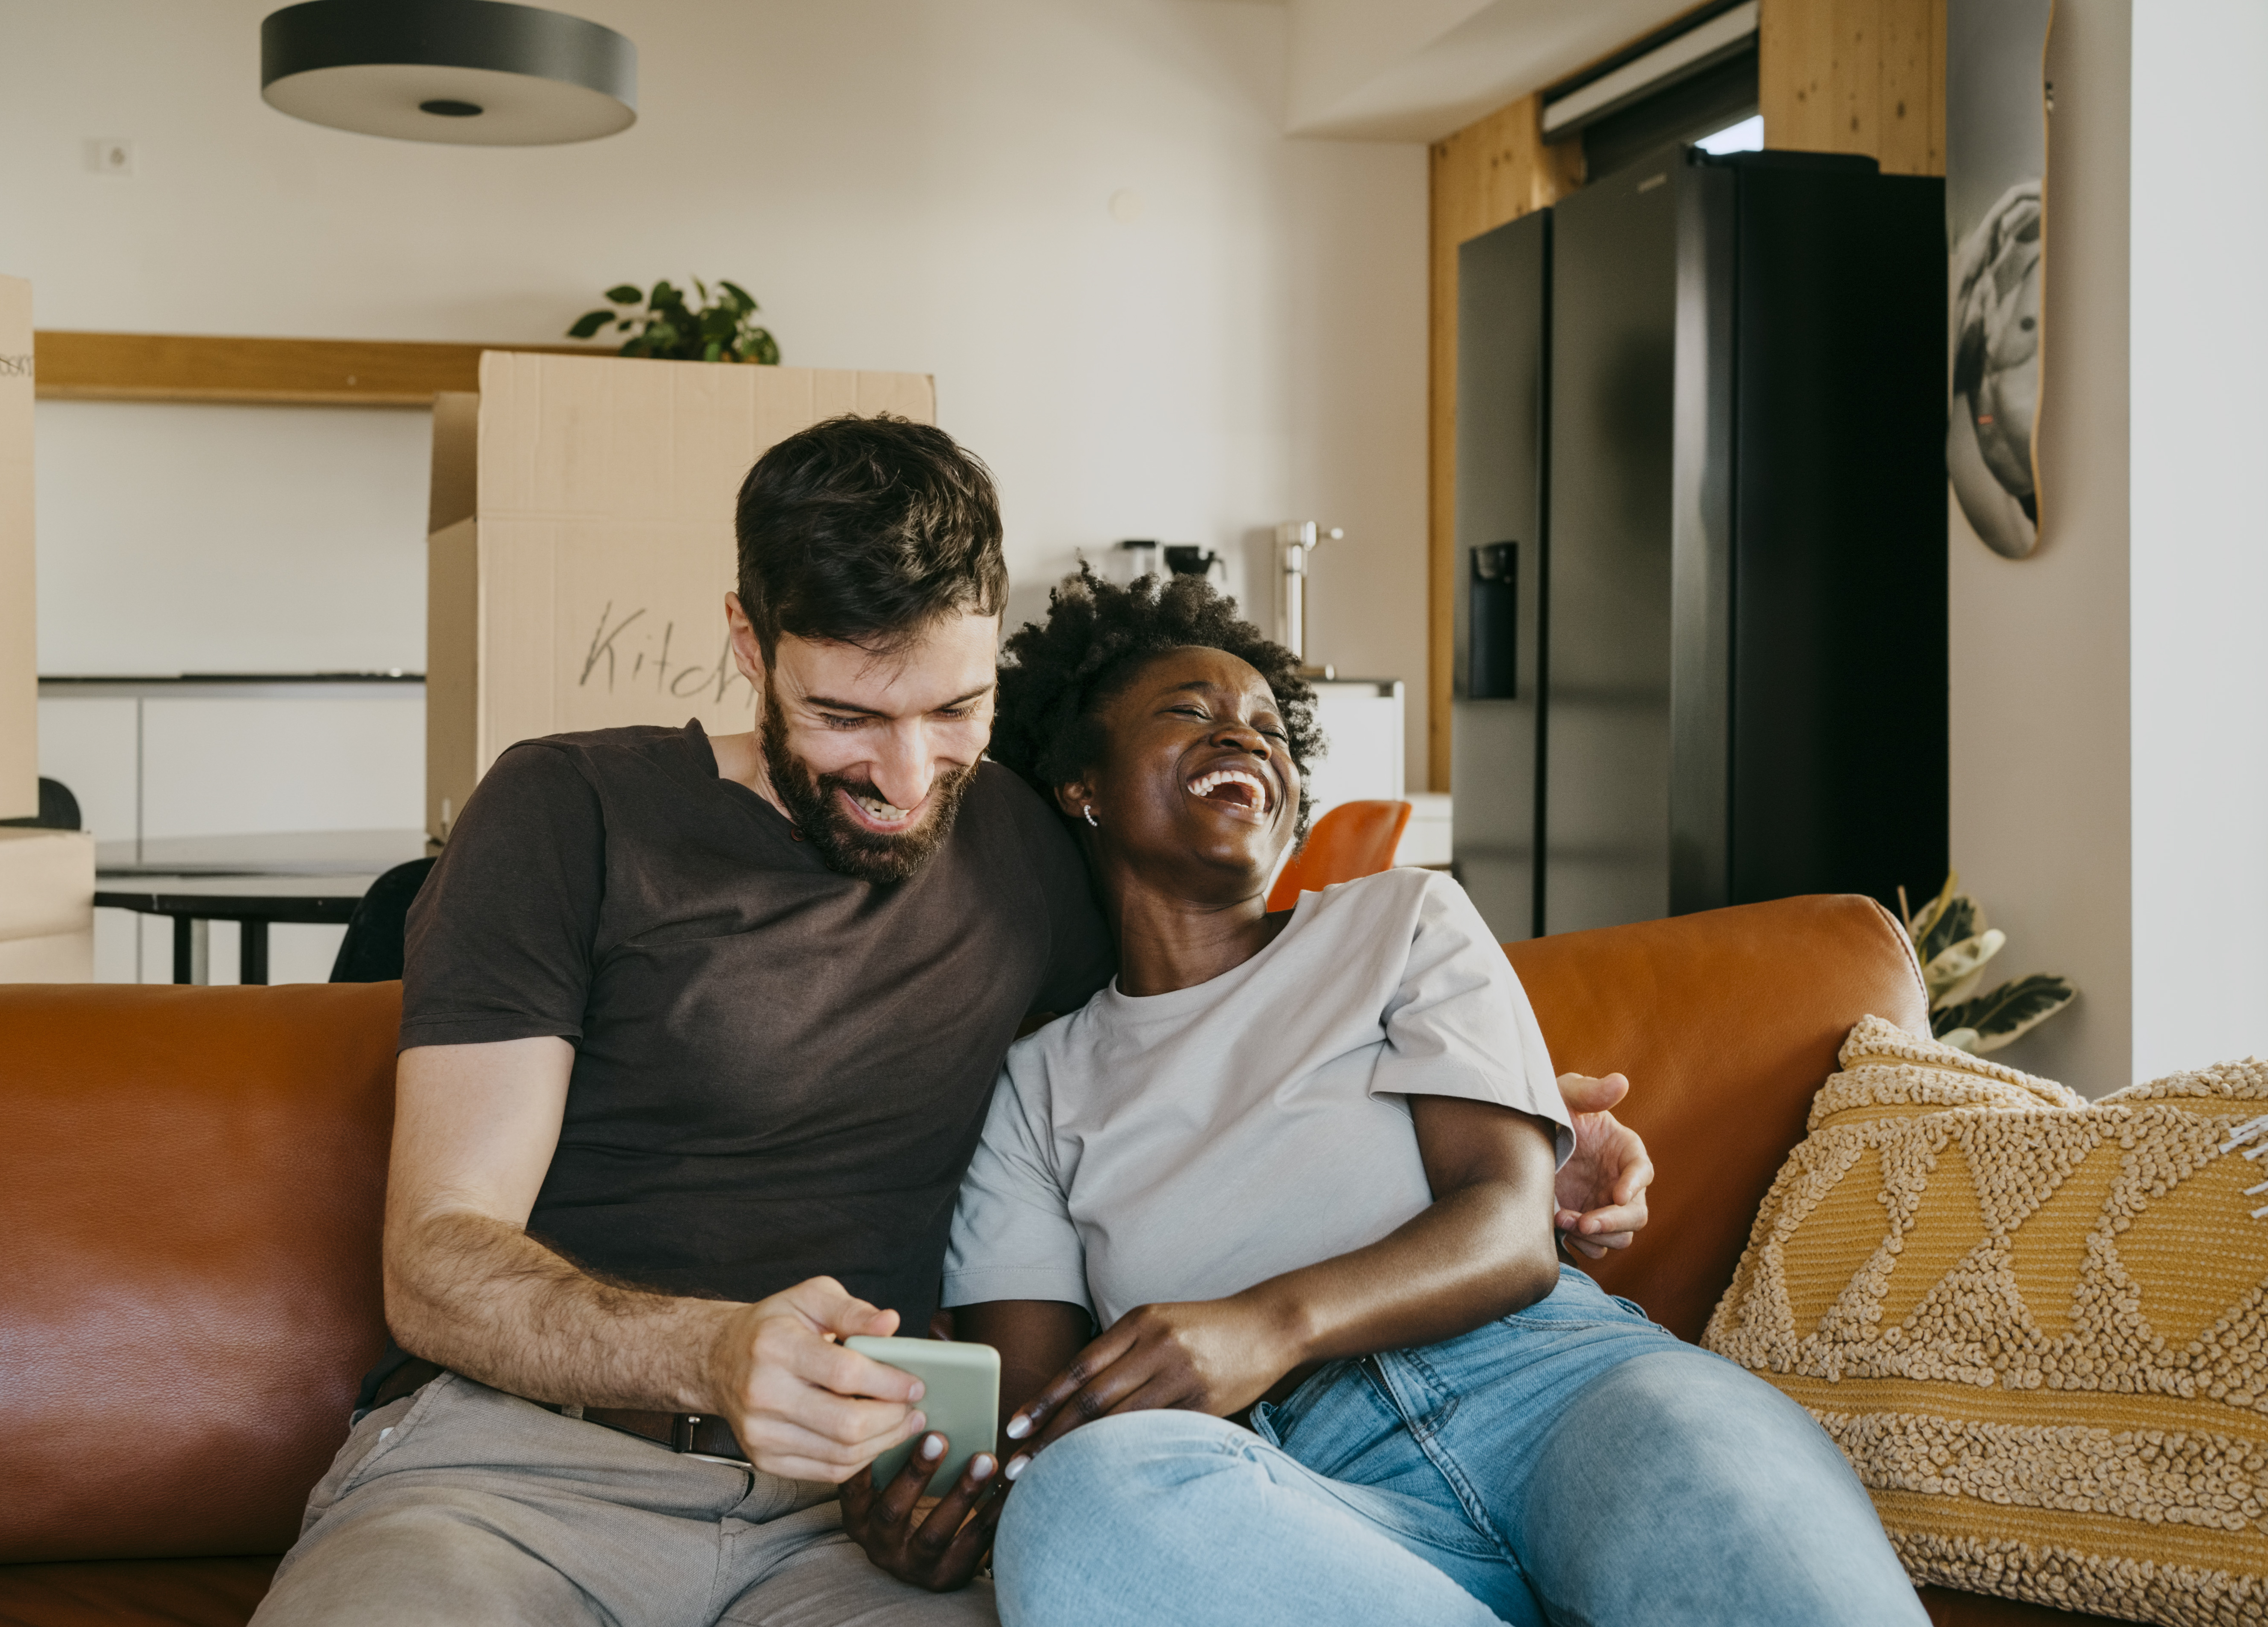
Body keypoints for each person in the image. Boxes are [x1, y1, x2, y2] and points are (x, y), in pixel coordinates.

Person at [251, 417, 1657, 1627]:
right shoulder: (571, 808)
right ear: (749, 642)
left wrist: (1526, 1127)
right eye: (851, 716)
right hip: (516, 1476)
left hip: (856, 1528)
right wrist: (713, 1352)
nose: (907, 776)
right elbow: (437, 1263)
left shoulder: (1033, 850)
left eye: (955, 707)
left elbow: (1241, 1034)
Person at [840, 574, 1923, 1626]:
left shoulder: (1403, 921)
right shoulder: (1034, 1086)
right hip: (1301, 1490)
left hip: (1560, 1392)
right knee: (1082, 1514)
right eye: (1192, 711)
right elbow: (1048, 1431)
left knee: (1708, 1459)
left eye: (1269, 724)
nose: (1246, 736)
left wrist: (1265, 1324)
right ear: (1081, 780)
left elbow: (1511, 1230)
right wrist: (956, 1509)